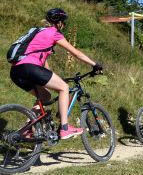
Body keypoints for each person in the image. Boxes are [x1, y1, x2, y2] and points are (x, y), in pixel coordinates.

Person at [9, 8, 103, 140]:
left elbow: (42, 60)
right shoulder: (54, 33)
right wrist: (94, 64)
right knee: (64, 87)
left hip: (16, 71)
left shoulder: (37, 32)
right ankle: (65, 128)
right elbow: (76, 53)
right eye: (63, 22)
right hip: (30, 67)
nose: (63, 25)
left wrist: (53, 78)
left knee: (45, 96)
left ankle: (28, 128)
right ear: (59, 23)